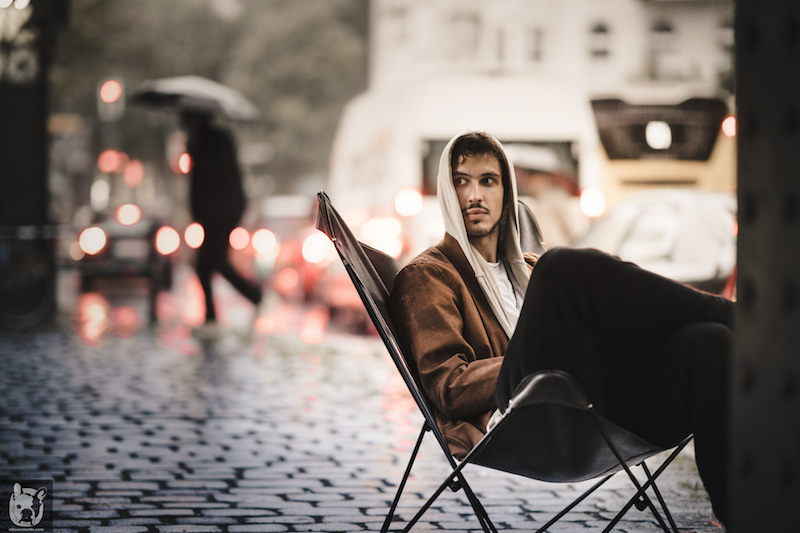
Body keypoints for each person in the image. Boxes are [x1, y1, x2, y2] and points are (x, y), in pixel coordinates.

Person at [389, 131, 733, 524]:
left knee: (709, 344)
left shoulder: (529, 269)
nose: (474, 195)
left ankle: (739, 514)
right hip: (519, 412)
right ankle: (729, 311)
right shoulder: (428, 276)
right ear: (446, 192)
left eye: (488, 180)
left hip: (594, 405)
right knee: (562, 267)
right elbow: (448, 388)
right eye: (460, 181)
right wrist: (545, 356)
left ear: (507, 190)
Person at [181, 110, 262, 336]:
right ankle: (245, 300)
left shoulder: (216, 139)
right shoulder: (199, 140)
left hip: (222, 211)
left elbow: (217, 174)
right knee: (209, 263)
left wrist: (196, 153)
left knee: (210, 262)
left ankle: (247, 299)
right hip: (213, 213)